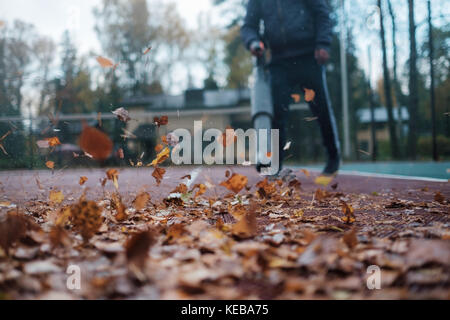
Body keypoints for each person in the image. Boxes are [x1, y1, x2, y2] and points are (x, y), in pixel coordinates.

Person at [241, 0, 341, 176]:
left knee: (321, 109)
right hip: (279, 61)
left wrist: (323, 43)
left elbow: (322, 14)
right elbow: (249, 26)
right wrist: (253, 42)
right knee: (277, 114)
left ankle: (333, 156)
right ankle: (273, 164)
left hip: (308, 57)